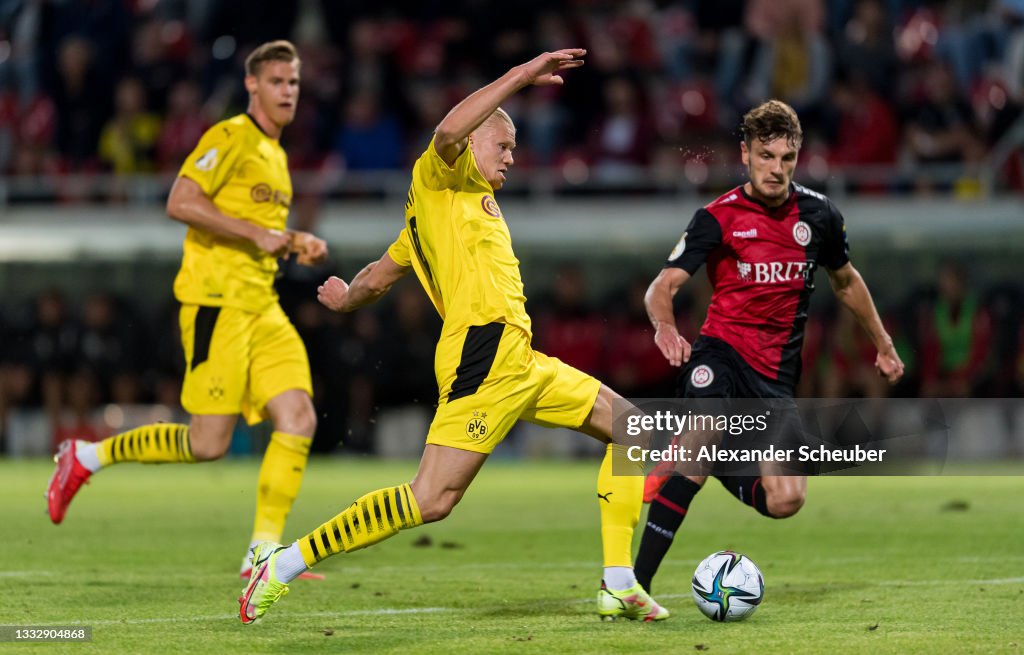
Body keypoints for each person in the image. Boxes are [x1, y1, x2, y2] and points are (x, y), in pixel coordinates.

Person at [238, 49, 669, 625]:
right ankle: (284, 564)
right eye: (504, 146)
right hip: (484, 355)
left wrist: (346, 297)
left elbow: (379, 274)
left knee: (630, 430)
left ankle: (618, 582)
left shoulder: (442, 214)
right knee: (430, 499)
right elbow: (445, 130)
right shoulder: (438, 174)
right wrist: (519, 76)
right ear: (472, 142)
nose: (512, 159)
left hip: (520, 357)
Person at [47, 40, 329, 580]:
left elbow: (254, 234)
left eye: (293, 82)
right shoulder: (231, 136)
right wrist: (259, 232)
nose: (288, 91)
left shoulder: (277, 156)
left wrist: (294, 242)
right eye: (276, 82)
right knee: (207, 444)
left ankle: (262, 555)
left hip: (262, 306)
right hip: (216, 305)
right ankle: (84, 458)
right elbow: (180, 200)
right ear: (252, 86)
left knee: (298, 418)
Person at [633, 99, 905, 593]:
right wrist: (666, 328)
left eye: (786, 158)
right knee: (702, 435)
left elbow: (845, 282)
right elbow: (662, 287)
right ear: (746, 154)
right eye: (766, 156)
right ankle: (636, 586)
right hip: (719, 354)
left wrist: (883, 345)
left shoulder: (820, 216)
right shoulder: (717, 217)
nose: (776, 169)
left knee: (786, 499)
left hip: (774, 379)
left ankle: (708, 463)